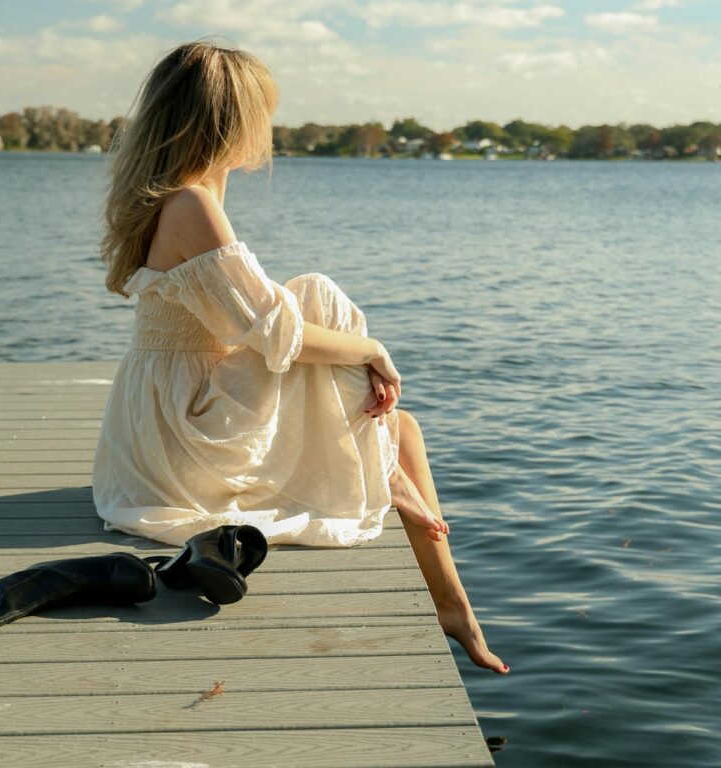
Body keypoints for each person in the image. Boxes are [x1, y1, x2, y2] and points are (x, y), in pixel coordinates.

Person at [92, 38, 508, 675]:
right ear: (229, 121)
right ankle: (445, 588)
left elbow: (257, 329)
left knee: (402, 429)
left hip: (159, 426)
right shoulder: (193, 204)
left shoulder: (182, 195)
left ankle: (449, 598)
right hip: (182, 438)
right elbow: (276, 337)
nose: (268, 128)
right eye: (259, 113)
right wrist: (374, 349)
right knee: (323, 304)